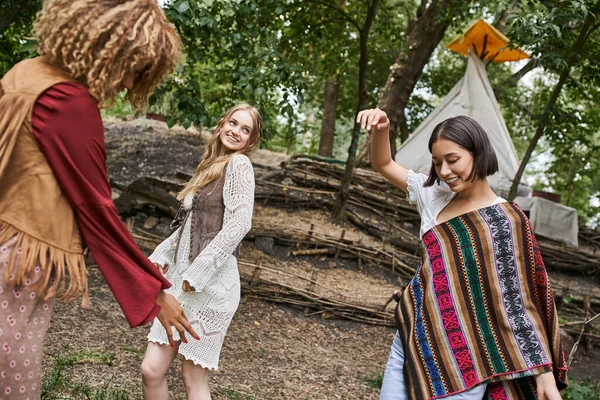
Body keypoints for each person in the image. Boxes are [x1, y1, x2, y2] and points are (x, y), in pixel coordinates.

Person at [0, 1, 199, 397]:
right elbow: (96, 208)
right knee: (14, 384)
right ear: (110, 45)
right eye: (132, 68)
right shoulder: (68, 100)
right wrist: (156, 290)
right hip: (22, 259)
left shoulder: (26, 72)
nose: (128, 84)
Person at [359, 108, 567, 400]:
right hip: (412, 343)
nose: (444, 171)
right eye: (437, 162)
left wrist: (543, 374)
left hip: (467, 361)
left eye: (453, 160)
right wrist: (382, 126)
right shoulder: (432, 196)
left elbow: (518, 301)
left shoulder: (507, 220)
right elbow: (383, 163)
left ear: (478, 153)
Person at [140, 104, 262, 400]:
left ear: (251, 140)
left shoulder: (239, 166)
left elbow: (238, 225)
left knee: (192, 376)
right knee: (151, 370)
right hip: (181, 285)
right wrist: (159, 258)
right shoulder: (211, 166)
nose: (236, 132)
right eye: (233, 123)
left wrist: (198, 273)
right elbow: (186, 229)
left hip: (212, 288)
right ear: (222, 124)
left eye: (245, 130)